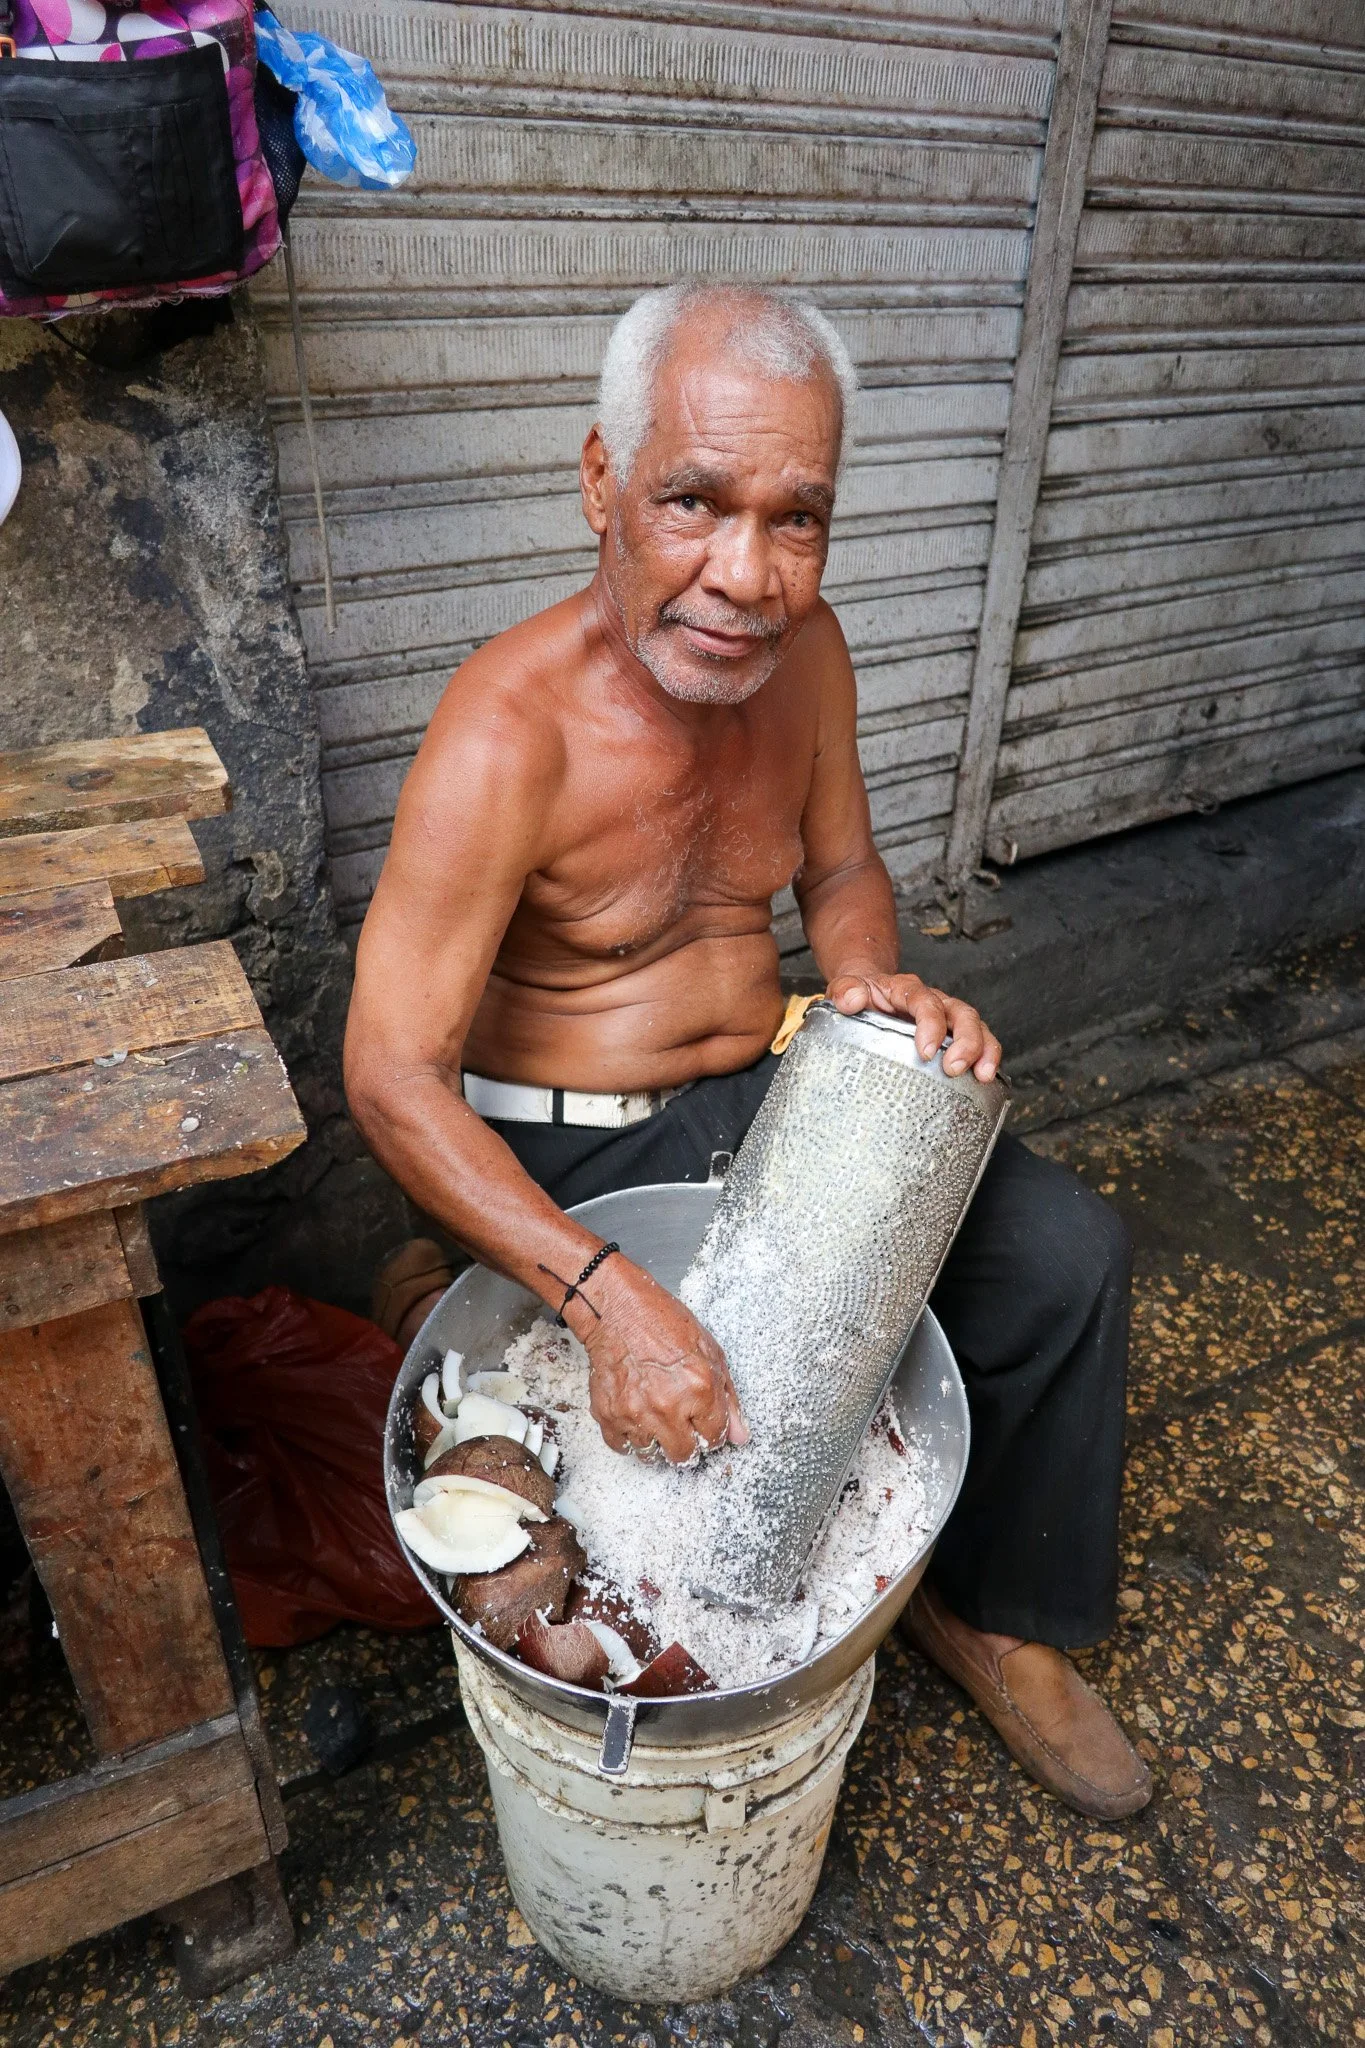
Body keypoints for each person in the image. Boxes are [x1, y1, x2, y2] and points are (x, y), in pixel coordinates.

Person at [346, 283, 1151, 1821]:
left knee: (1062, 1253)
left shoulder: (811, 655)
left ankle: (1001, 1616)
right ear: (602, 482)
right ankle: (450, 1275)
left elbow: (842, 875)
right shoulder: (505, 731)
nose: (745, 576)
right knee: (720, 1436)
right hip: (576, 1140)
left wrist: (873, 994)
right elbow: (387, 1074)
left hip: (773, 1087)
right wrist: (601, 1297)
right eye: (694, 502)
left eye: (798, 521)